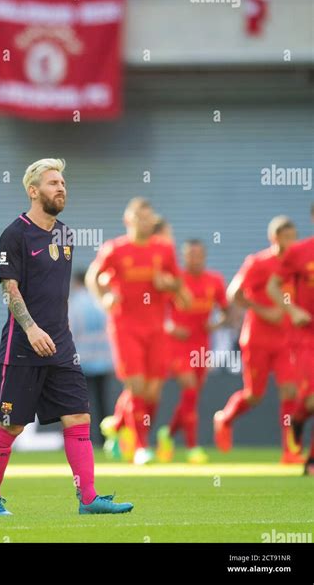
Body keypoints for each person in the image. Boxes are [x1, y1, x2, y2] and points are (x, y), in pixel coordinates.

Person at [0, 158, 133, 516]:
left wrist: (58, 334)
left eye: (62, 182)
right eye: (52, 183)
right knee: (11, 424)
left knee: (78, 418)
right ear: (33, 191)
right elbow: (9, 289)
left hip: (62, 347)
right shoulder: (14, 234)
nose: (61, 188)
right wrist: (31, 328)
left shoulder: (66, 233)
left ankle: (89, 498)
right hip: (22, 346)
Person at [86, 197, 187, 465]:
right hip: (125, 326)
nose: (144, 221)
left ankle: (119, 424)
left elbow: (178, 282)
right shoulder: (115, 249)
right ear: (128, 220)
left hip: (156, 328)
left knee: (153, 392)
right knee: (137, 385)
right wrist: (105, 298)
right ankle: (141, 446)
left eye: (148, 217)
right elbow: (94, 276)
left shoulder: (163, 250)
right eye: (139, 216)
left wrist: (168, 284)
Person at [214, 216, 304, 464]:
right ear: (273, 238)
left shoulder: (298, 263)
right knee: (255, 395)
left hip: (287, 340)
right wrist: (264, 311)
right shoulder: (258, 263)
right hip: (257, 339)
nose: (291, 242)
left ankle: (290, 450)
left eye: (293, 236)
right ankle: (225, 418)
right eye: (286, 237)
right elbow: (234, 294)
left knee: (291, 391)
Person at [157, 239, 228, 464]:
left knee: (191, 396)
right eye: (189, 255)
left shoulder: (215, 280)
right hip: (177, 344)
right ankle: (192, 446)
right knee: (189, 387)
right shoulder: (176, 282)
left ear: (204, 256)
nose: (194, 259)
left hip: (201, 345)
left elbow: (227, 311)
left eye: (198, 254)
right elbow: (160, 313)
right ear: (183, 257)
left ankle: (167, 435)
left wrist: (215, 325)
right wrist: (170, 327)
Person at [267, 207, 314, 476]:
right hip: (306, 334)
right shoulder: (299, 252)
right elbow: (274, 286)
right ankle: (296, 421)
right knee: (310, 401)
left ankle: (311, 461)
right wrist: (293, 310)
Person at [68, 271, 114, 445]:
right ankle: (104, 439)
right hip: (103, 358)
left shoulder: (75, 304)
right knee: (103, 401)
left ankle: (84, 438)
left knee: (82, 404)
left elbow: (70, 330)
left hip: (82, 360)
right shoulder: (101, 302)